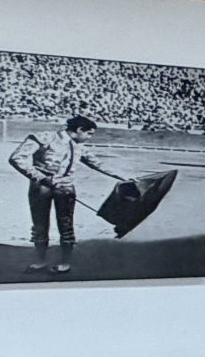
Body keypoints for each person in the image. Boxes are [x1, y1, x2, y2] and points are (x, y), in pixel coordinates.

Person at [8, 114, 123, 276]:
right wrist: (41, 177)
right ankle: (41, 260)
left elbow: (97, 164)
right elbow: (16, 158)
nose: (89, 138)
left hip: (65, 187)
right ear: (80, 129)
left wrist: (123, 176)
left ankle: (64, 262)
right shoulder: (45, 138)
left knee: (66, 225)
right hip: (42, 186)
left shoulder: (78, 146)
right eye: (89, 134)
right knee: (40, 224)